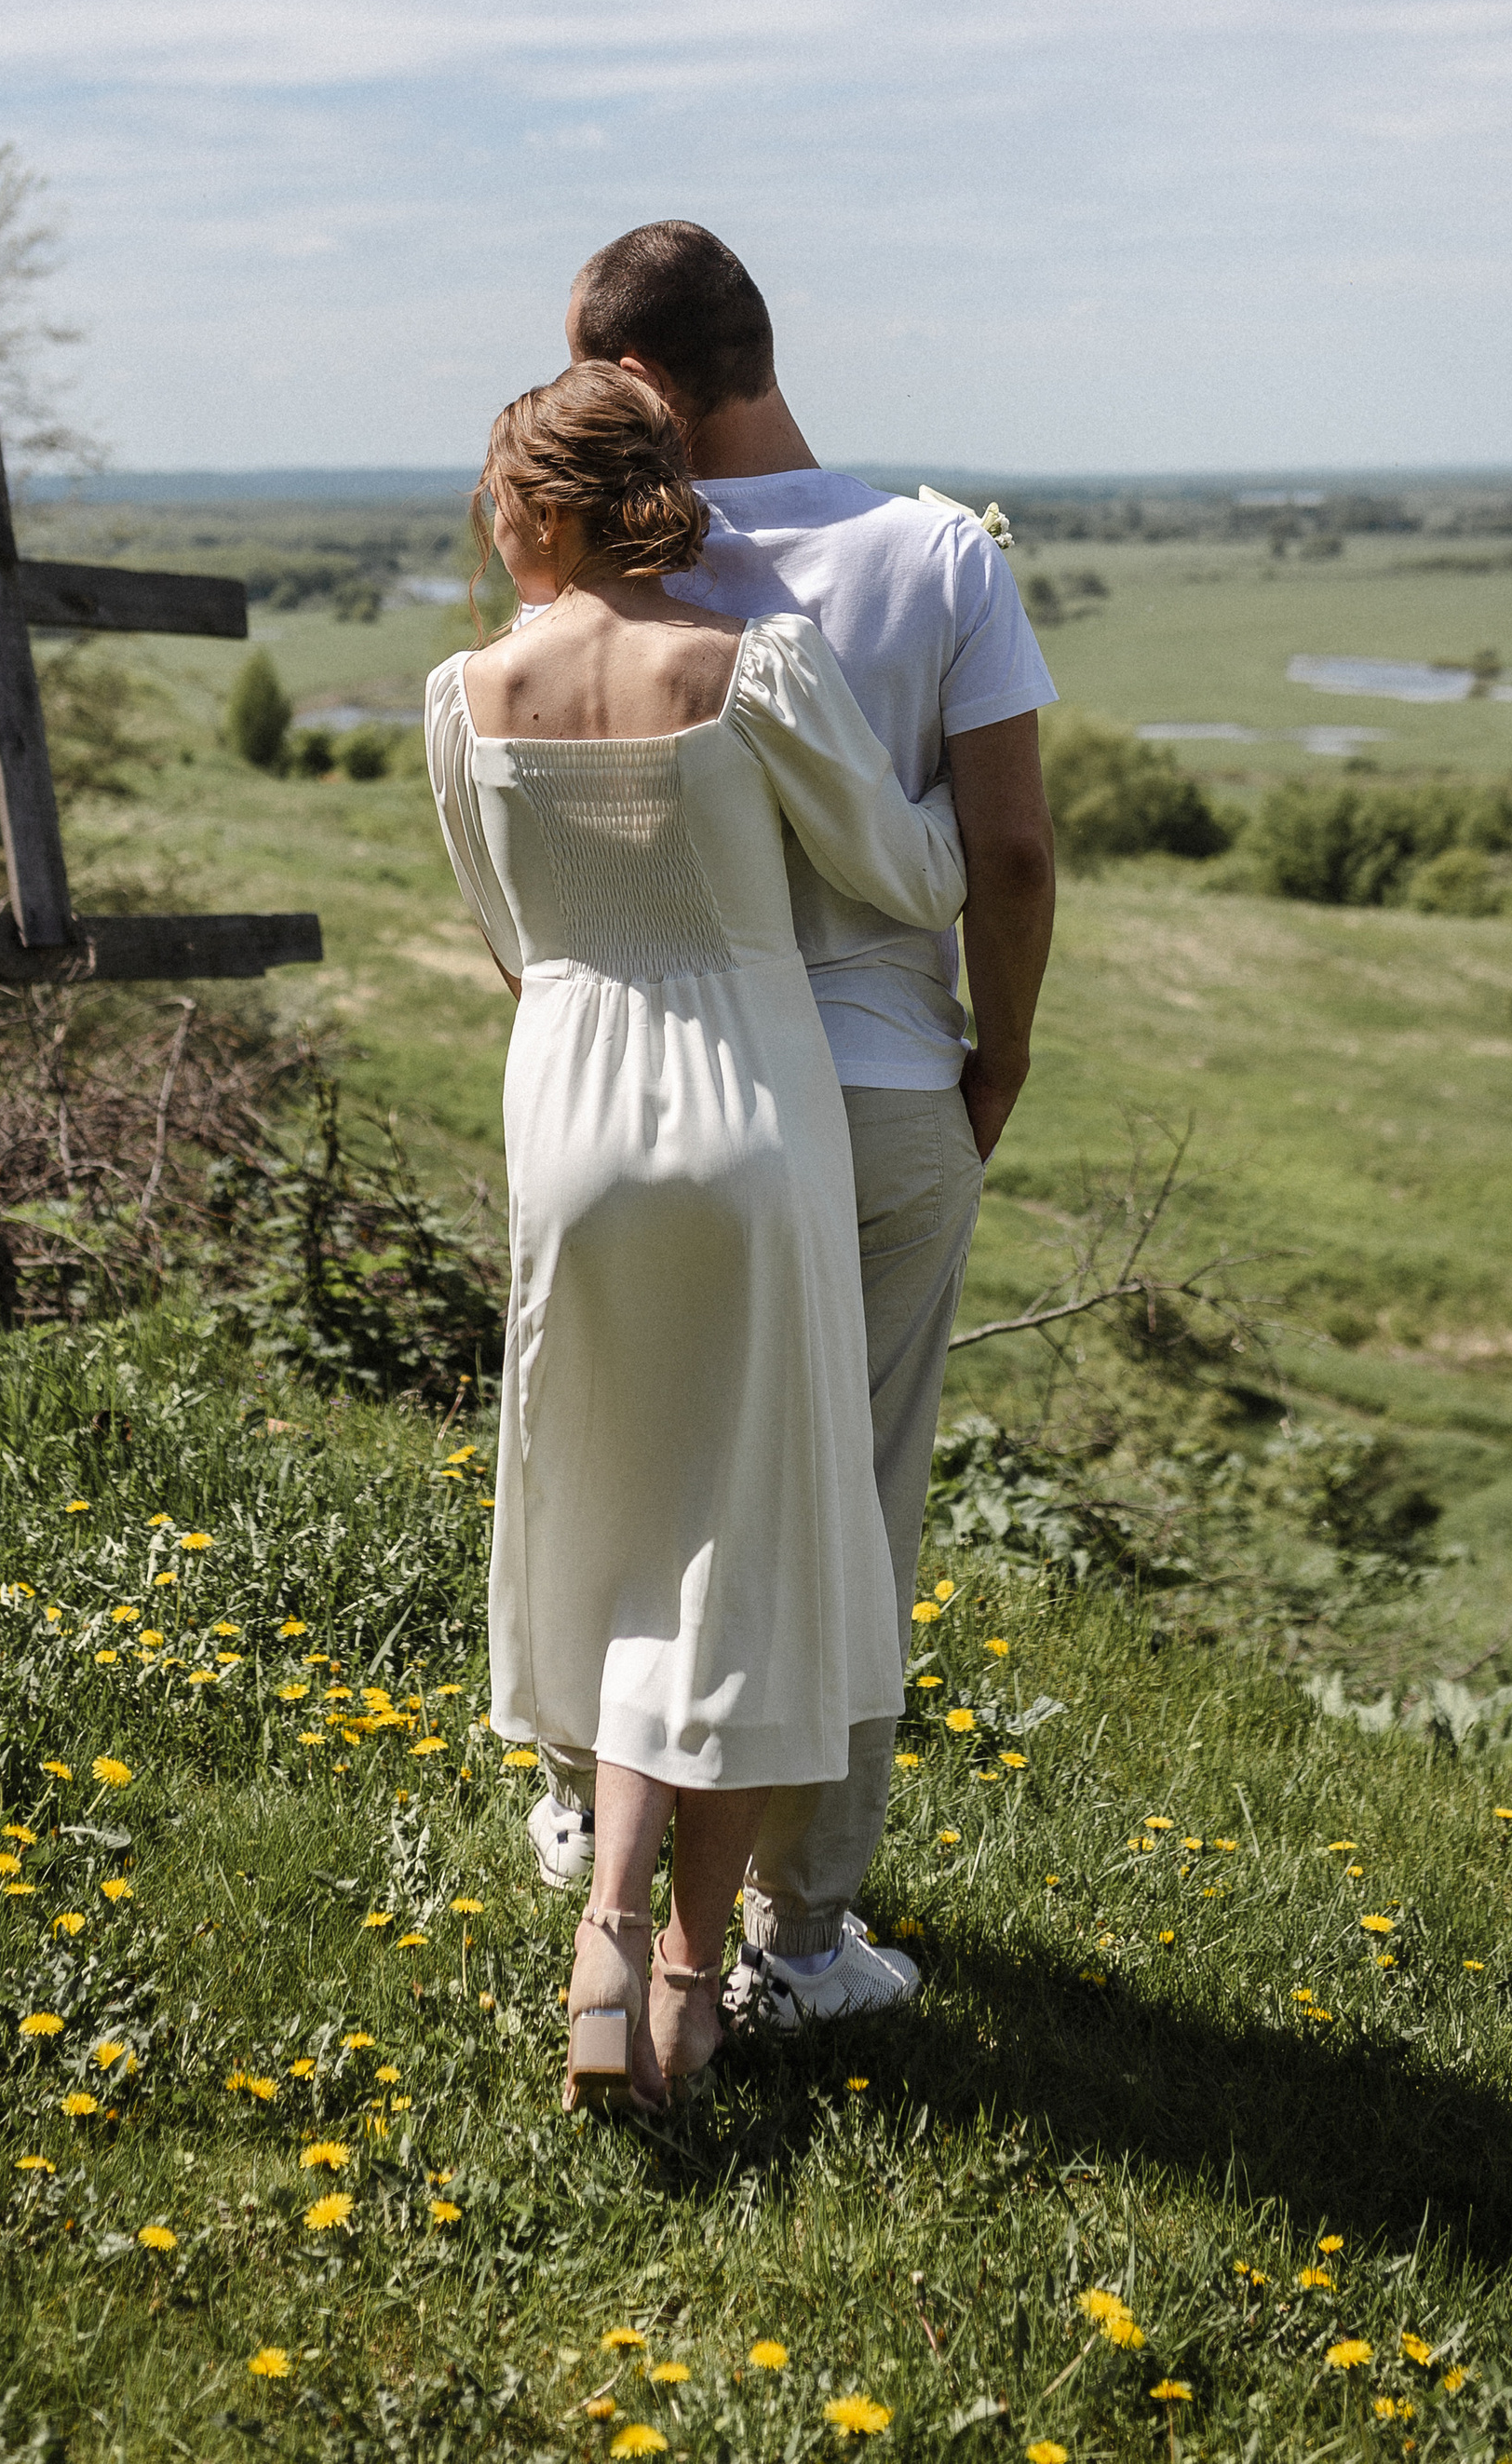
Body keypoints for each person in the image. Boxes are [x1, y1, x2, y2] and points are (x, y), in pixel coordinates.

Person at [423, 363, 966, 2109]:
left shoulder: (467, 696)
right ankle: (687, 1975)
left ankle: (601, 1926)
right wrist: (961, 791)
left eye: (498, 497)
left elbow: (508, 933)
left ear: (540, 507)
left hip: (569, 1121)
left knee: (612, 1520)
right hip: (749, 1113)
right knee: (749, 1544)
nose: (491, 522)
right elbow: (911, 874)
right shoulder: (752, 670)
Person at [536, 220, 1059, 2028]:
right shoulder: (940, 553)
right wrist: (997, 1059)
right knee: (853, 1510)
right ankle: (797, 1939)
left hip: (668, 1089)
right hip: (889, 1088)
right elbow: (1008, 849)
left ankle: (590, 1830)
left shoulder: (608, 562)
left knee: (645, 1472)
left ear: (637, 380)